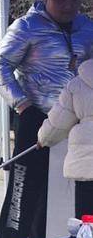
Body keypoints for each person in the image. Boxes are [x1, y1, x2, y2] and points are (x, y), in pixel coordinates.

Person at [0, 0, 93, 238]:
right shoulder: (27, 26)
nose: (68, 7)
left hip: (75, 124)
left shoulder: (87, 27)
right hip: (35, 117)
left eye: (74, 0)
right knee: (24, 191)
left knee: (69, 191)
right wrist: (21, 104)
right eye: (60, 1)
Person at [38, 58, 93, 218]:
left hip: (87, 165)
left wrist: (43, 139)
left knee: (87, 222)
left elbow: (58, 122)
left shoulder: (77, 84)